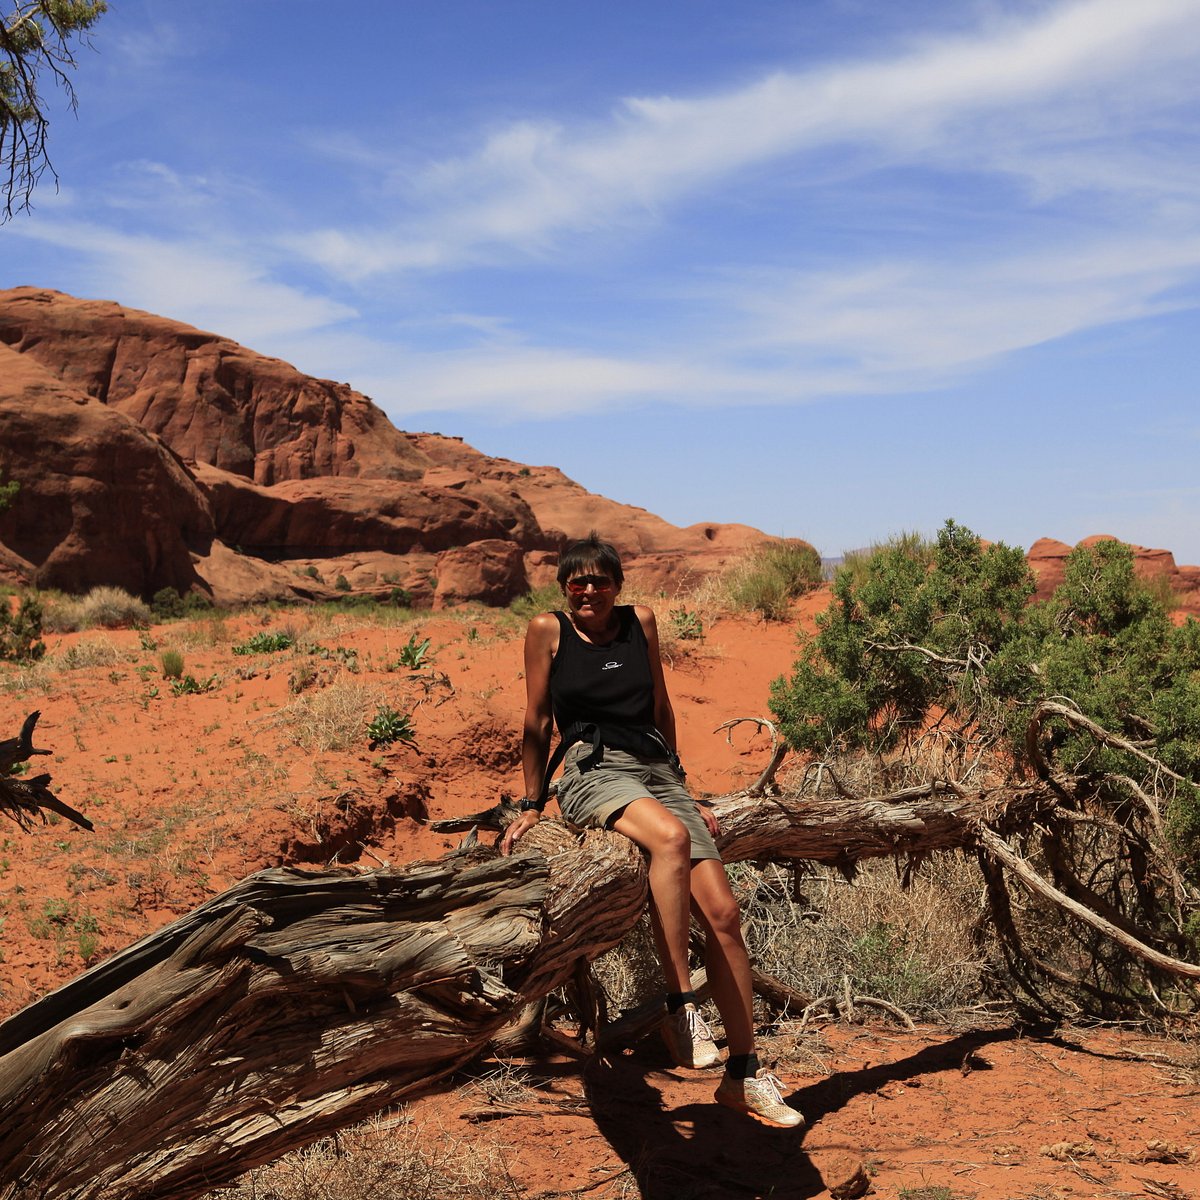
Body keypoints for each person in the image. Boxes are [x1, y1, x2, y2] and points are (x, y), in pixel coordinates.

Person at [500, 532, 803, 1129]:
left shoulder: (641, 621)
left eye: (600, 581)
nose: (589, 590)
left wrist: (683, 784)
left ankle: (743, 1074)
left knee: (723, 916)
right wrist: (532, 802)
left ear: (618, 585)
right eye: (577, 582)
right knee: (668, 839)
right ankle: (680, 1007)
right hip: (592, 768)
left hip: (656, 770)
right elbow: (536, 720)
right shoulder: (548, 630)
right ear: (564, 587)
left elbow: (661, 705)